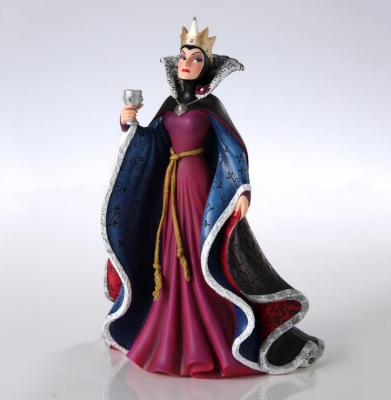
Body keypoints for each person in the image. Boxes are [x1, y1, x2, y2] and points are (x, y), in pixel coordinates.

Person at [101, 18, 324, 378]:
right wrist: (131, 125)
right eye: (182, 56)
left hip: (200, 187)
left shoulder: (211, 106)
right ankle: (169, 327)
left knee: (199, 250)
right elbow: (154, 143)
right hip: (172, 187)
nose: (186, 63)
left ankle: (214, 333)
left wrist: (241, 189)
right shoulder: (170, 105)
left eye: (195, 58)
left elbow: (232, 147)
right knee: (170, 253)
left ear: (206, 68)